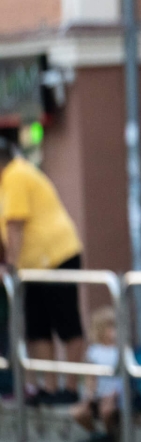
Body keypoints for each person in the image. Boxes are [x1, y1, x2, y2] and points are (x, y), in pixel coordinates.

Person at [0, 136, 84, 405]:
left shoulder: (15, 175)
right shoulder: (8, 181)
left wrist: (10, 265)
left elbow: (15, 224)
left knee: (66, 322)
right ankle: (48, 387)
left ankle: (70, 387)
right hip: (33, 265)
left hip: (55, 256)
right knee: (37, 328)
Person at [70, 306, 124, 442]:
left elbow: (122, 378)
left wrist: (114, 394)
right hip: (98, 395)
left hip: (114, 395)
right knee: (78, 412)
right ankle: (95, 434)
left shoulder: (120, 351)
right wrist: (89, 395)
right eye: (110, 327)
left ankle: (109, 435)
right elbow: (90, 377)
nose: (115, 331)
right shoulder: (94, 351)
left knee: (106, 410)